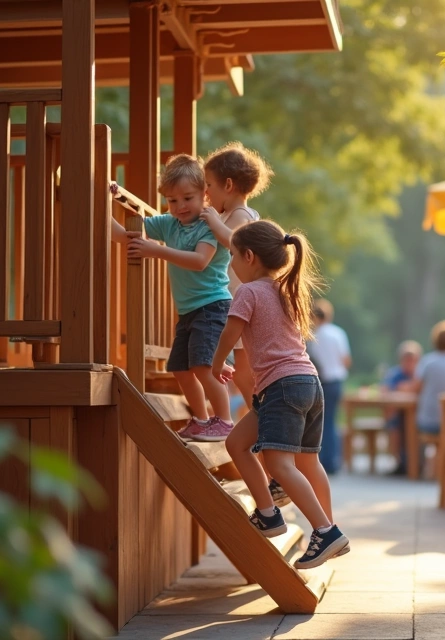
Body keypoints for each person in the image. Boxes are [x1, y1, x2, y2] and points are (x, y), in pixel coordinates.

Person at [215, 219, 348, 569]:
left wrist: (216, 364)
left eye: (232, 256)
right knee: (237, 444)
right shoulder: (287, 289)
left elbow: (231, 332)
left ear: (249, 256)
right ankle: (269, 514)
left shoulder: (249, 291)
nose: (230, 264)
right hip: (305, 384)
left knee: (278, 464)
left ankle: (326, 531)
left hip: (282, 387)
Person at [111, 155, 232, 442]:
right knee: (179, 367)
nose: (179, 207)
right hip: (189, 310)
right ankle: (202, 420)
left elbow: (200, 261)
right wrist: (103, 200)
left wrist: (155, 250)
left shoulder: (209, 224)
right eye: (171, 200)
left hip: (213, 306)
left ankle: (224, 420)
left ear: (205, 193)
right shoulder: (169, 224)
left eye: (187, 198)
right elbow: (123, 236)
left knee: (202, 366)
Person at [200, 141, 272, 408]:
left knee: (244, 374)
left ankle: (261, 416)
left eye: (209, 184)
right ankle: (258, 416)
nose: (205, 192)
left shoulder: (240, 214)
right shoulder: (231, 213)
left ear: (228, 186)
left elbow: (235, 242)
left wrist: (214, 221)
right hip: (237, 301)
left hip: (241, 301)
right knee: (242, 375)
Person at [409, 321, 445, 472]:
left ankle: (415, 468)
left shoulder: (427, 362)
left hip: (427, 422)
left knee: (408, 422)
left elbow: (415, 388)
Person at [307, 299, 351, 474]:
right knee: (333, 421)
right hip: (336, 381)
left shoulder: (313, 336)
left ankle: (322, 460)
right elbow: (346, 360)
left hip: (320, 381)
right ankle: (333, 460)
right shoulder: (338, 333)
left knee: (318, 422)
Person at [383, 340, 421, 475]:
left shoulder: (420, 374)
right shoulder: (395, 374)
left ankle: (414, 462)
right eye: (407, 360)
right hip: (398, 414)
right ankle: (400, 461)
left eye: (413, 360)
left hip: (417, 414)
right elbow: (386, 391)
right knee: (395, 425)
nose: (409, 363)